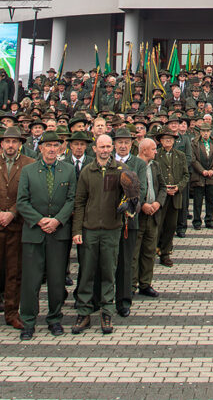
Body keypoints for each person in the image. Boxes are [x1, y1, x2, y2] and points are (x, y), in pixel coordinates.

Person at [17, 130, 77, 337]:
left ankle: (54, 318)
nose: (52, 149)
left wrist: (58, 220)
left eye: (55, 146)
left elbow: (72, 200)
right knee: (31, 281)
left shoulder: (68, 171)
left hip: (58, 233)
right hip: (34, 232)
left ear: (61, 148)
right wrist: (39, 220)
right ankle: (28, 321)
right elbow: (22, 201)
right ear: (40, 148)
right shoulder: (28, 170)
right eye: (47, 146)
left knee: (56, 279)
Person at [0, 126, 34, 333]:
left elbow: (28, 193)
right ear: (1, 144)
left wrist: (12, 212)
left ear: (20, 144)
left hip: (17, 225)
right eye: (7, 142)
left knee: (14, 273)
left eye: (15, 142)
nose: (11, 145)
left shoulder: (30, 164)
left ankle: (12, 313)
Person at [71, 134, 124, 335]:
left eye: (108, 146)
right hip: (90, 229)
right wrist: (77, 230)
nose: (105, 150)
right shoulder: (87, 172)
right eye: (101, 146)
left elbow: (130, 197)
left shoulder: (120, 170)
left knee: (109, 271)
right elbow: (79, 202)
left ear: (112, 148)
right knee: (86, 272)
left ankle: (107, 311)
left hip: (112, 229)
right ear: (94, 149)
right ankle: (84, 311)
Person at [109, 128, 146, 316]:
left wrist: (130, 205)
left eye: (126, 142)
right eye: (119, 142)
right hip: (108, 220)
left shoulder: (138, 163)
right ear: (114, 144)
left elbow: (142, 189)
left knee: (125, 262)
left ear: (132, 144)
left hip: (129, 221)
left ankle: (123, 301)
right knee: (106, 262)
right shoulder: (108, 162)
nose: (123, 146)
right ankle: (104, 298)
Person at [131, 138, 162, 299]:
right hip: (138, 214)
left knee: (149, 251)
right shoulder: (133, 165)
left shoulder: (155, 166)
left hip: (153, 213)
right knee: (134, 251)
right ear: (144, 150)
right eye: (154, 149)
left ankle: (146, 283)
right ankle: (131, 285)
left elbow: (162, 186)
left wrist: (158, 202)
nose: (156, 152)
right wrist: (142, 204)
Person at [153, 128, 188, 268]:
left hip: (175, 195)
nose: (168, 141)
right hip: (160, 196)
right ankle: (153, 250)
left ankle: (165, 253)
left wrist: (178, 187)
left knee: (171, 226)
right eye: (165, 139)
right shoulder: (156, 155)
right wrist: (163, 189)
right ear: (160, 141)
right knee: (157, 225)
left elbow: (186, 175)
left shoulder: (180, 155)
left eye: (171, 139)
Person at [190, 122, 213, 229]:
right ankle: (197, 221)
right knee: (198, 200)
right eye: (203, 131)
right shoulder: (194, 143)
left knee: (211, 199)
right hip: (199, 175)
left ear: (210, 132)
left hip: (212, 175)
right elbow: (193, 159)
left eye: (207, 131)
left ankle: (209, 220)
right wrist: (202, 170)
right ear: (200, 132)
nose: (205, 133)